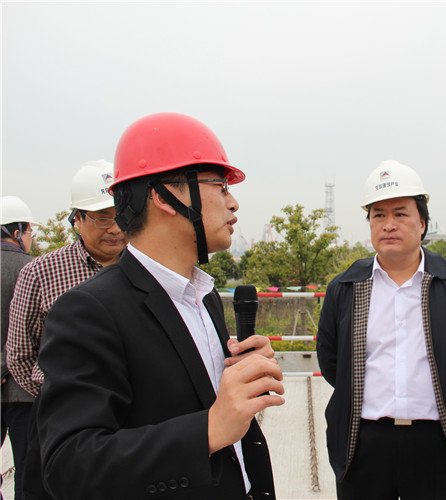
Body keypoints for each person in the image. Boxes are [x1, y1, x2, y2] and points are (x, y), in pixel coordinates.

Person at [34, 112, 285, 500]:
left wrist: (241, 378)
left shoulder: (203, 296)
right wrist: (208, 429)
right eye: (219, 186)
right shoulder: (89, 311)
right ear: (164, 196)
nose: (233, 203)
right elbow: (69, 465)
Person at [317, 160, 446, 500]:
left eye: (400, 214)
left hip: (435, 442)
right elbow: (331, 360)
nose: (389, 224)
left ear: (422, 223)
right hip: (362, 442)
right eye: (378, 215)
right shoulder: (346, 287)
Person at [5, 160, 127, 499]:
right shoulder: (41, 272)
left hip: (133, 419)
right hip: (60, 420)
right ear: (77, 219)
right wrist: (58, 392)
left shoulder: (145, 269)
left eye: (121, 215)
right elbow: (20, 353)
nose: (115, 228)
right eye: (102, 217)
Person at [1, 196, 37, 500]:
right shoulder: (31, 269)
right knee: (27, 468)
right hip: (23, 390)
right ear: (17, 232)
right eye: (29, 232)